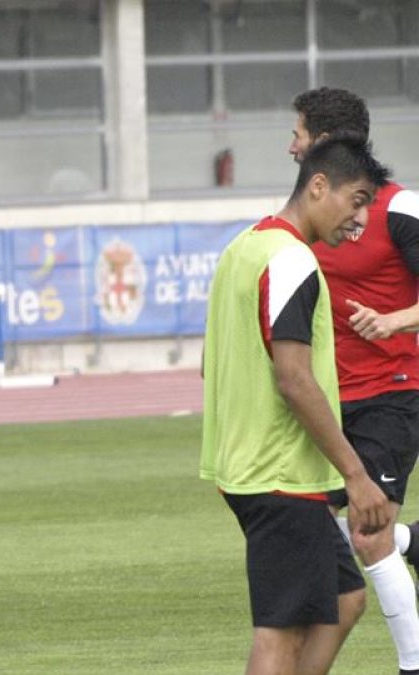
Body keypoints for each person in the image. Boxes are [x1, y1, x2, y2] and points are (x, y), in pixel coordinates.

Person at [201, 133, 392, 675]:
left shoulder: (243, 248)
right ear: (318, 185)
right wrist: (356, 476)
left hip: (255, 467)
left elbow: (207, 360)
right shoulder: (292, 261)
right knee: (281, 633)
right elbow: (294, 380)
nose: (357, 221)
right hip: (278, 473)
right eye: (355, 201)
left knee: (343, 600)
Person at [290, 86, 419, 674]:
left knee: (367, 535)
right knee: (316, 536)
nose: (290, 145)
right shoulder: (304, 219)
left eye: (298, 133)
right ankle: (411, 544)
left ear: (324, 141)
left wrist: (395, 320)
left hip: (392, 392)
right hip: (326, 400)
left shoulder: (398, 210)